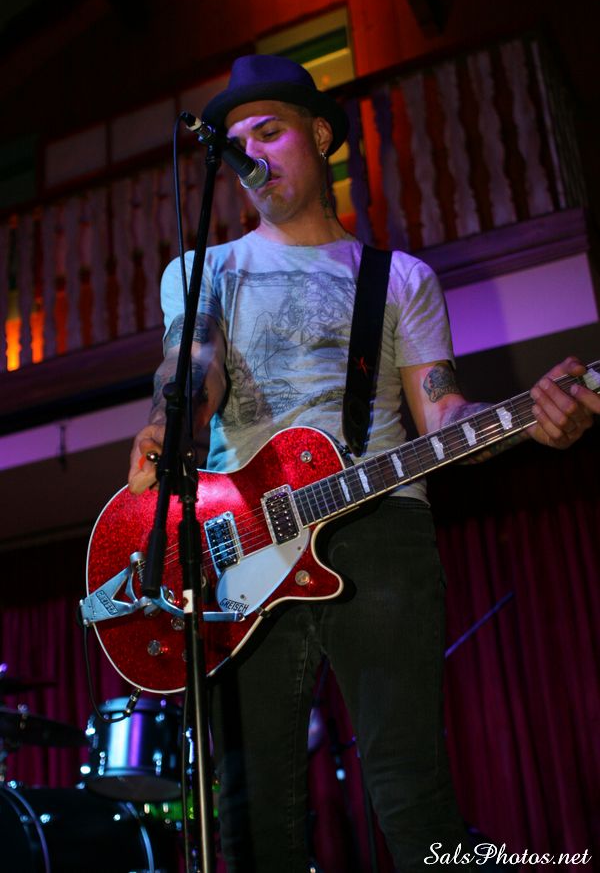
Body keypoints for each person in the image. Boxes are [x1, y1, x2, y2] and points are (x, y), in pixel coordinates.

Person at [128, 55, 599, 872]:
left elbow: (443, 414)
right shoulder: (206, 271)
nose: (250, 153)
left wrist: (531, 421)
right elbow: (194, 367)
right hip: (242, 545)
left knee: (412, 799)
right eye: (237, 142)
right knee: (252, 816)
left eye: (269, 131)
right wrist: (166, 425)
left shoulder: (400, 278)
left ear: (319, 135)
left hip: (381, 529)